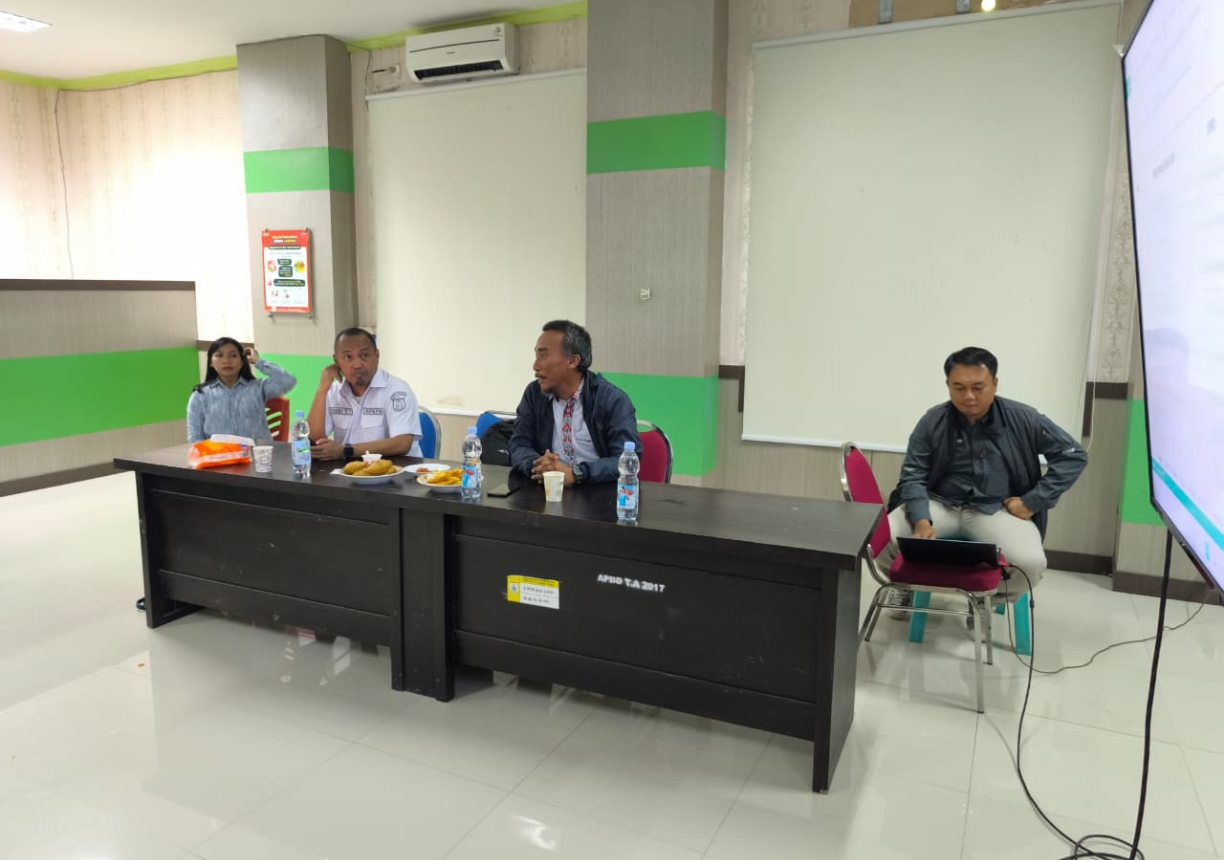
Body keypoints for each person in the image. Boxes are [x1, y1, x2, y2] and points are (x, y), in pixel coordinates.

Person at [881, 346, 1088, 601]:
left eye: (978, 387)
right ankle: (905, 586)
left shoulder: (1023, 418)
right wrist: (921, 520)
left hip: (995, 509)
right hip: (939, 504)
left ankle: (987, 598)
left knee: (1030, 564)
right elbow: (913, 474)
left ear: (995, 384)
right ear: (948, 385)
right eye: (959, 387)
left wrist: (1032, 501)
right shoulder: (932, 421)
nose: (968, 396)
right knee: (879, 538)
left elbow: (1072, 456)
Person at [509, 320, 640, 485]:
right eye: (536, 356)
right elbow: (519, 444)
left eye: (543, 355)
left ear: (572, 361)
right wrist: (539, 466)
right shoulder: (534, 394)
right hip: (549, 489)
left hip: (599, 492)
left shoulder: (612, 400)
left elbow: (626, 460)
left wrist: (576, 473)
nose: (535, 366)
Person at [306, 328, 422, 460]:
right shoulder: (333, 391)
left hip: (395, 469)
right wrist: (322, 389)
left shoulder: (396, 390)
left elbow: (402, 443)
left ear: (377, 356)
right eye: (348, 357)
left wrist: (346, 451)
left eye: (364, 355)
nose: (357, 365)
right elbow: (314, 441)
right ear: (336, 361)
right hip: (348, 470)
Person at [187, 337, 296, 443]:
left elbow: (288, 381)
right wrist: (209, 453)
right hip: (219, 453)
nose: (226, 360)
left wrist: (258, 361)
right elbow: (195, 436)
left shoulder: (258, 387)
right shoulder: (200, 395)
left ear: (242, 361)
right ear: (211, 362)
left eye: (233, 355)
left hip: (257, 452)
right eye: (219, 355)